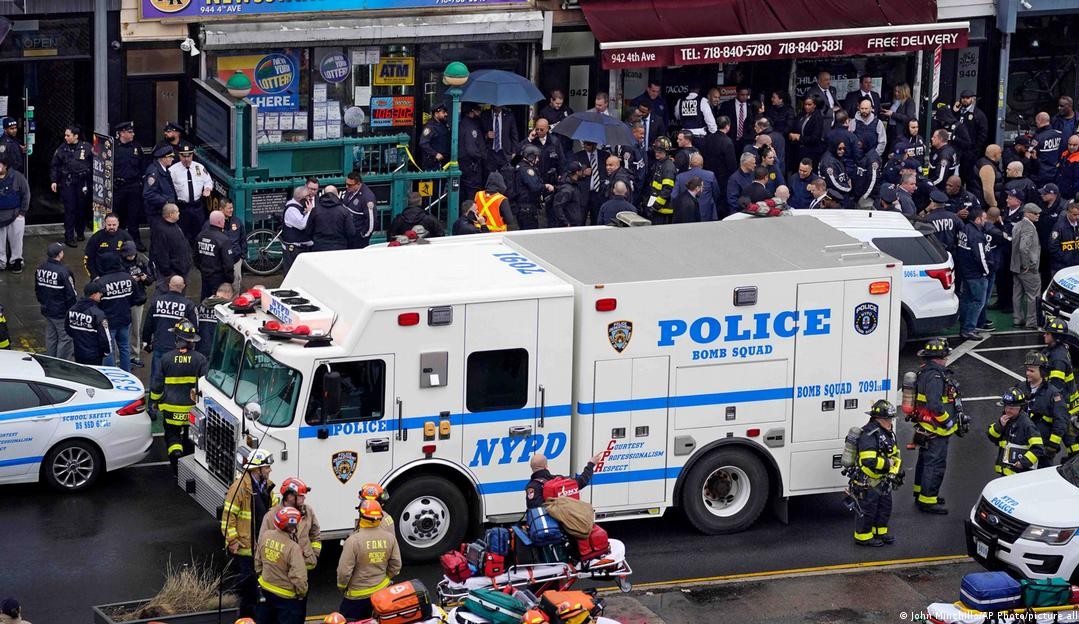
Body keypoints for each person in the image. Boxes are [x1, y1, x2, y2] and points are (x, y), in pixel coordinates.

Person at [222, 449, 277, 619]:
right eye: (266, 467)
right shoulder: (239, 488)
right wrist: (232, 540)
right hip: (245, 546)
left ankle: (253, 613)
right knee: (247, 582)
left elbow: (274, 510)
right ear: (256, 469)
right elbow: (228, 517)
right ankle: (241, 613)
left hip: (261, 544)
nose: (269, 470)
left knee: (256, 581)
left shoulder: (267, 486)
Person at [910, 338, 960, 514]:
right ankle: (928, 500)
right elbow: (935, 405)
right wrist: (947, 421)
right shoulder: (936, 376)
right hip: (936, 429)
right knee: (935, 464)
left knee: (924, 461)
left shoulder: (925, 372)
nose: (946, 358)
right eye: (945, 355)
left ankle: (921, 493)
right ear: (939, 357)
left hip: (925, 426)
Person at [149, 319, 206, 473]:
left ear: (177, 339)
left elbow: (157, 385)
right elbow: (205, 385)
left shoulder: (166, 358)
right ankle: (187, 466)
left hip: (170, 409)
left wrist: (154, 401)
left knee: (172, 435)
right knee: (189, 438)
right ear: (192, 342)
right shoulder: (200, 359)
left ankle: (175, 460)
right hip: (191, 410)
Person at [849, 399, 901, 547]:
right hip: (869, 481)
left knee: (884, 507)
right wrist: (887, 464)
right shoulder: (869, 434)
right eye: (888, 419)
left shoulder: (886, 432)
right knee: (868, 510)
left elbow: (893, 452)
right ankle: (863, 537)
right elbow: (868, 460)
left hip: (882, 479)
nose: (891, 422)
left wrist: (896, 469)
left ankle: (879, 532)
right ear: (879, 419)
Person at [336, 500, 400, 621]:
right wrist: (384, 578)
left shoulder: (353, 541)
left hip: (356, 597)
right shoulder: (390, 538)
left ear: (361, 516)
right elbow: (396, 565)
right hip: (381, 593)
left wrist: (342, 587)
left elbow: (344, 572)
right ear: (380, 518)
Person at [255, 506, 308, 624]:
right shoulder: (293, 548)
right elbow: (299, 577)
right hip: (286, 598)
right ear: (292, 527)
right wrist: (301, 593)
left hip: (265, 590)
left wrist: (261, 575)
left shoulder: (266, 536)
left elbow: (258, 561)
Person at [142, 275, 198, 381]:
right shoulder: (189, 305)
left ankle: (155, 392)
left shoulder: (157, 302)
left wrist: (146, 342)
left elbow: (148, 324)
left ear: (169, 285)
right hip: (180, 348)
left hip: (160, 345)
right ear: (183, 286)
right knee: (176, 379)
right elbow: (194, 328)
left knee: (157, 378)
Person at [262, 477, 322, 572]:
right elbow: (262, 543)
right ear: (290, 497)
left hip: (304, 564)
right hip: (281, 569)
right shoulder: (272, 515)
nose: (304, 498)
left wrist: (314, 554)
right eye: (301, 495)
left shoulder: (307, 510)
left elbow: (315, 534)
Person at [50, 125, 93, 247]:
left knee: (82, 208)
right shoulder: (62, 148)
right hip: (68, 182)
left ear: (76, 136)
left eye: (68, 135)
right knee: (70, 209)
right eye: (65, 135)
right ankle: (69, 237)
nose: (65, 137)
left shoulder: (87, 147)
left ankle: (80, 232)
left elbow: (95, 162)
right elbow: (55, 165)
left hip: (82, 182)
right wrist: (54, 180)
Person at [1020, 350, 1066, 466]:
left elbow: (1061, 421)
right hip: (1020, 444)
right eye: (1027, 370)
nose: (1027, 373)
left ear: (1043, 372)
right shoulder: (1020, 387)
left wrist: (1052, 446)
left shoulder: (1053, 394)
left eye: (1032, 371)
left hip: (1042, 449)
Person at [988, 386, 1043, 476]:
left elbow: (1038, 449)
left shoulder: (1027, 425)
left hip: (1019, 476)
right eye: (1006, 407)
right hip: (1005, 473)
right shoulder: (1005, 420)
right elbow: (992, 437)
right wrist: (999, 426)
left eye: (1011, 408)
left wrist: (1023, 462)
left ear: (1020, 407)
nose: (1007, 410)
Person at [35, 242, 77, 360]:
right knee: (66, 338)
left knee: (51, 336)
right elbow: (71, 294)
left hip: (47, 308)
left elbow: (37, 289)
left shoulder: (40, 268)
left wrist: (43, 303)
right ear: (60, 254)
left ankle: (51, 360)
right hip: (61, 311)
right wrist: (72, 310)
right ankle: (60, 363)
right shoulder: (63, 271)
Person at [525, 451, 604, 508]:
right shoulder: (559, 480)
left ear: (531, 468)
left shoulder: (532, 486)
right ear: (546, 466)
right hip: (567, 521)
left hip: (549, 524)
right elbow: (582, 481)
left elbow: (533, 508)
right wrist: (591, 464)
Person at [169, 144, 214, 245]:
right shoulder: (173, 170)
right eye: (183, 156)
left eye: (189, 156)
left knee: (199, 233)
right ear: (179, 155)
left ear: (192, 155)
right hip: (182, 208)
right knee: (182, 234)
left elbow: (208, 181)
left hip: (197, 206)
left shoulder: (199, 167)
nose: (186, 159)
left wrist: (207, 188)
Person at [956, 208, 990, 340]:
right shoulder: (977, 235)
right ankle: (969, 329)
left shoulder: (964, 229)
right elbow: (980, 256)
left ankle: (964, 326)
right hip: (976, 274)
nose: (985, 221)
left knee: (966, 300)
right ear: (978, 219)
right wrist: (986, 271)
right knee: (978, 302)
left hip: (965, 271)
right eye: (984, 218)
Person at [112, 121, 147, 250]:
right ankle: (117, 241)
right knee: (118, 215)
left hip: (133, 186)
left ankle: (135, 241)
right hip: (118, 186)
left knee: (134, 215)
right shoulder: (113, 147)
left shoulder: (136, 147)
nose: (133, 134)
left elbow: (142, 166)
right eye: (130, 132)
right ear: (122, 133)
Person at [120, 241, 154, 368]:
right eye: (128, 255)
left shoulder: (141, 261)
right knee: (123, 330)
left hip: (137, 299)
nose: (131, 257)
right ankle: (121, 358)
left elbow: (151, 279)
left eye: (132, 254)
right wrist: (130, 280)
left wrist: (145, 278)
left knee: (136, 329)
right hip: (123, 301)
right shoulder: (119, 263)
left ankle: (134, 356)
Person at [1041, 317, 1079, 428]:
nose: (1044, 335)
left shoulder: (1058, 359)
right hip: (1066, 400)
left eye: (1047, 333)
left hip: (1064, 404)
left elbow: (1056, 386)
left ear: (1056, 337)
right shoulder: (1056, 350)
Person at [1011, 203, 1042, 329]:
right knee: (1033, 295)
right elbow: (1023, 248)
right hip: (1027, 268)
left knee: (1017, 294)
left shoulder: (1017, 225)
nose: (1038, 215)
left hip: (1016, 266)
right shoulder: (1029, 228)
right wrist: (1027, 264)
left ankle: (1018, 319)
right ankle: (1032, 322)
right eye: (1035, 213)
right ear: (1027, 213)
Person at [67, 281, 111, 366]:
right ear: (93, 295)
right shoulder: (98, 314)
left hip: (78, 352)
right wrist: (107, 351)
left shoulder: (72, 310)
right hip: (94, 355)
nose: (101, 294)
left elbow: (68, 329)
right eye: (100, 293)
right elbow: (104, 336)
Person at [195, 210, 235, 301]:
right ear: (220, 222)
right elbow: (228, 264)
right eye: (224, 220)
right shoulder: (224, 240)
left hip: (205, 275)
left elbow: (195, 257)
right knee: (219, 302)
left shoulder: (200, 236)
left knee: (205, 299)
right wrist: (230, 278)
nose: (225, 222)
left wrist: (202, 269)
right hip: (219, 278)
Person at [84, 213, 134, 280]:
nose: (111, 227)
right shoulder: (96, 237)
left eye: (114, 225)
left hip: (122, 275)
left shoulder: (125, 236)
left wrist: (130, 274)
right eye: (109, 225)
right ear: (105, 224)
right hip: (102, 276)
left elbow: (133, 257)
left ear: (118, 224)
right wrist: (94, 276)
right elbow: (88, 259)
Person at [0, 158, 29, 273]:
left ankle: (16, 261)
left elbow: (26, 193)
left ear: (5, 165)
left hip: (15, 215)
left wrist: (22, 212)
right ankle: (1, 262)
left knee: (16, 241)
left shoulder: (17, 176)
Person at [673, 153, 721, 221]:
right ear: (702, 164)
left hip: (686, 215)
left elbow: (674, 196)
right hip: (706, 214)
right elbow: (716, 194)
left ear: (690, 164)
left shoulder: (680, 177)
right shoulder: (710, 175)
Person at [513, 145, 551, 231]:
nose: (538, 160)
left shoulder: (519, 165)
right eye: (536, 157)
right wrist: (546, 186)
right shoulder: (526, 170)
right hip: (527, 209)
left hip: (522, 208)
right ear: (531, 157)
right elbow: (535, 187)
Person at [150, 204, 191, 281]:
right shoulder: (160, 231)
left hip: (181, 269)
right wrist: (167, 272)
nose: (179, 213)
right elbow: (161, 253)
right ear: (171, 214)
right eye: (177, 211)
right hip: (172, 274)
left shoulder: (175, 225)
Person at [142, 144, 177, 233]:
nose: (172, 159)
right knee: (159, 236)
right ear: (163, 158)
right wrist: (166, 201)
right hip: (157, 212)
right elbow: (148, 193)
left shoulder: (163, 169)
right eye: (170, 157)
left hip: (163, 211)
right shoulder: (154, 172)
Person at [571, 141, 608, 226]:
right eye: (584, 144)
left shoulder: (604, 155)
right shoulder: (577, 156)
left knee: (596, 219)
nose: (585, 146)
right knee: (580, 220)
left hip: (599, 192)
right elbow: (571, 173)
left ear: (595, 144)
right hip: (583, 193)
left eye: (588, 144)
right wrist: (582, 172)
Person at [955, 90, 990, 178]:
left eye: (967, 98)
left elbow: (983, 134)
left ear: (973, 99)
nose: (965, 100)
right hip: (957, 148)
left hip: (970, 151)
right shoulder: (959, 111)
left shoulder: (978, 114)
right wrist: (955, 111)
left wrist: (975, 149)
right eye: (963, 98)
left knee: (968, 175)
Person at [523, 117, 565, 190]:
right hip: (535, 176)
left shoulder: (554, 141)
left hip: (550, 178)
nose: (539, 131)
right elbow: (519, 151)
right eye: (537, 129)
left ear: (547, 129)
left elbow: (561, 160)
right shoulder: (532, 140)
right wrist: (529, 139)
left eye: (541, 129)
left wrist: (561, 174)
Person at [281, 186, 314, 275]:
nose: (309, 198)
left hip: (301, 247)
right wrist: (309, 212)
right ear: (300, 198)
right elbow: (301, 225)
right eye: (307, 196)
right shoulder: (292, 210)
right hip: (294, 249)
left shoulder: (299, 207)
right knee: (292, 274)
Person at [459, 103, 487, 204]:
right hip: (471, 164)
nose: (480, 112)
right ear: (472, 111)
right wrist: (481, 156)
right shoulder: (469, 126)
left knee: (465, 190)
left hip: (467, 164)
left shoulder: (466, 123)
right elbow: (471, 149)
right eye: (478, 109)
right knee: (472, 191)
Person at [644, 137, 677, 221]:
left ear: (666, 152)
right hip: (656, 208)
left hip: (663, 211)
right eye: (656, 151)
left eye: (660, 152)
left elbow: (667, 189)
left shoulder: (668, 167)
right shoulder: (659, 164)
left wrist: (656, 206)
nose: (657, 154)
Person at [482, 104, 519, 177]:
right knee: (490, 178)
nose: (498, 107)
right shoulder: (485, 115)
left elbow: (514, 135)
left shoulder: (509, 116)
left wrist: (514, 152)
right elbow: (480, 133)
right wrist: (486, 135)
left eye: (500, 106)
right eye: (496, 106)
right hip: (490, 153)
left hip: (504, 153)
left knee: (507, 176)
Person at [196, 282, 232, 357]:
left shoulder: (201, 305)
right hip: (217, 350)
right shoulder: (227, 308)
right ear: (228, 294)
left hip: (199, 346)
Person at [922, 190, 962, 255]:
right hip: (952, 252)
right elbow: (963, 230)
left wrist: (927, 209)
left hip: (935, 253)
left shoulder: (928, 218)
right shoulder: (953, 216)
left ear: (932, 204)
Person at [1030, 112, 1063, 187]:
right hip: (1055, 172)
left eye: (1036, 121)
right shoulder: (1058, 134)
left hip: (1040, 174)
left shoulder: (1038, 137)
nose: (1036, 123)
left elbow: (1030, 153)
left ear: (1039, 121)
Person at [790, 97, 826, 166]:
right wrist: (792, 134)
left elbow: (815, 138)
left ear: (814, 105)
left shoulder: (817, 117)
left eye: (809, 105)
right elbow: (795, 126)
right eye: (805, 104)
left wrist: (799, 138)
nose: (807, 107)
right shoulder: (802, 115)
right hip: (798, 149)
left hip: (811, 151)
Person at [537, 89, 574, 154]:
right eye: (557, 103)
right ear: (551, 100)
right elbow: (540, 129)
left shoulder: (567, 110)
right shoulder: (544, 112)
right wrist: (553, 126)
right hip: (551, 146)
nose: (559, 105)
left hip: (567, 146)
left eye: (561, 103)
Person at [220, 200, 246, 292]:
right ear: (221, 209)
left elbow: (243, 239)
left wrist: (242, 256)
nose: (231, 210)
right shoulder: (216, 222)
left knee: (236, 286)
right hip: (222, 262)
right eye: (229, 208)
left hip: (236, 260)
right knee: (222, 287)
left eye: (232, 207)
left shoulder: (237, 221)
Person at [550, 161, 585, 227]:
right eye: (581, 170)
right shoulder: (567, 188)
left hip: (575, 224)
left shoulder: (574, 185)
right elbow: (558, 206)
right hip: (569, 226)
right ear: (577, 172)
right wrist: (565, 222)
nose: (582, 172)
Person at [719, 86, 753, 151]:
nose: (745, 97)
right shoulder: (727, 105)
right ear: (737, 94)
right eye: (742, 95)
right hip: (730, 139)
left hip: (745, 141)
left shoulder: (750, 106)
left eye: (746, 95)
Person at [818, 138, 853, 203]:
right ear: (834, 147)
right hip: (834, 197)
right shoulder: (829, 163)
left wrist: (847, 179)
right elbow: (834, 183)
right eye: (839, 148)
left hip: (840, 193)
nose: (842, 151)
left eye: (844, 148)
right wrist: (848, 188)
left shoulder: (836, 156)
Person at [1050, 201, 1079, 275]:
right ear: (1068, 213)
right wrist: (1067, 259)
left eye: (1078, 214)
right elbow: (1053, 247)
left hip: (1076, 266)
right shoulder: (1059, 227)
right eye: (1074, 215)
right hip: (1061, 266)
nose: (1077, 217)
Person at [971, 145, 1003, 212]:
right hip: (984, 206)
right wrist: (994, 205)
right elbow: (988, 191)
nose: (1001, 155)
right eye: (1000, 153)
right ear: (995, 155)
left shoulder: (984, 161)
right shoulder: (987, 167)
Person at [419, 104, 450, 171]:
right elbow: (423, 143)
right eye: (443, 112)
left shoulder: (443, 124)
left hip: (443, 161)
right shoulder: (430, 127)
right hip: (432, 163)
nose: (446, 114)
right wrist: (435, 154)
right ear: (436, 114)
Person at [1058, 135, 1079, 200]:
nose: (1071, 147)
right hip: (1061, 189)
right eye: (1069, 144)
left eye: (1074, 145)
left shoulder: (1077, 159)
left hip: (1070, 194)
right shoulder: (1064, 154)